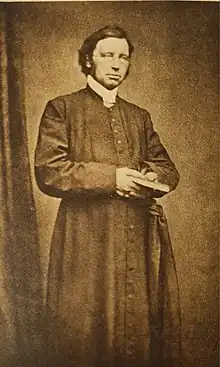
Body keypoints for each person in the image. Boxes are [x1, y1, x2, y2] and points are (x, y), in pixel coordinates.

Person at [35, 25, 181, 367]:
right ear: (89, 61)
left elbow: (167, 168)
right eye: (107, 56)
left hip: (135, 236)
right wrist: (112, 178)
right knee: (85, 330)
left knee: (135, 328)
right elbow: (50, 170)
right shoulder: (62, 108)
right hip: (86, 239)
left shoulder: (139, 117)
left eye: (123, 57)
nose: (116, 64)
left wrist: (150, 177)